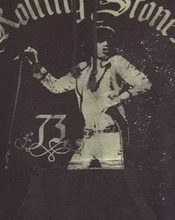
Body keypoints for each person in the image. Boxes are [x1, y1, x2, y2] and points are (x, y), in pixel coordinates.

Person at [23, 27, 152, 169]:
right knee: (72, 173)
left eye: (109, 40)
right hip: (88, 138)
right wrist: (35, 64)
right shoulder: (82, 69)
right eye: (101, 40)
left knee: (113, 179)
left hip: (109, 138)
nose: (106, 44)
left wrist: (118, 99)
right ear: (91, 43)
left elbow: (145, 84)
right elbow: (56, 87)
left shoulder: (116, 62)